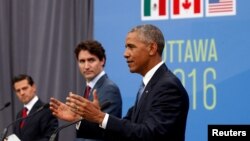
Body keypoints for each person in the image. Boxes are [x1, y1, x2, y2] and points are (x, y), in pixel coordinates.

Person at [62, 24, 190, 141]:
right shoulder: (148, 86)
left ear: (152, 48)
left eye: (131, 47)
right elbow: (124, 131)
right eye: (126, 47)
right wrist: (80, 119)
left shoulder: (167, 86)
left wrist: (100, 117)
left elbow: (151, 135)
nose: (125, 54)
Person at [49, 40, 122, 141]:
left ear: (102, 61)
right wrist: (77, 118)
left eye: (91, 60)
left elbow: (106, 132)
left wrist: (78, 118)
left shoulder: (109, 89)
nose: (86, 66)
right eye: (82, 61)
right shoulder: (90, 88)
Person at [11, 74, 59, 141]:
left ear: (33, 87)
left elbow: (51, 138)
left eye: (24, 88)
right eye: (18, 91)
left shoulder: (47, 110)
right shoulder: (19, 115)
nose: (22, 93)